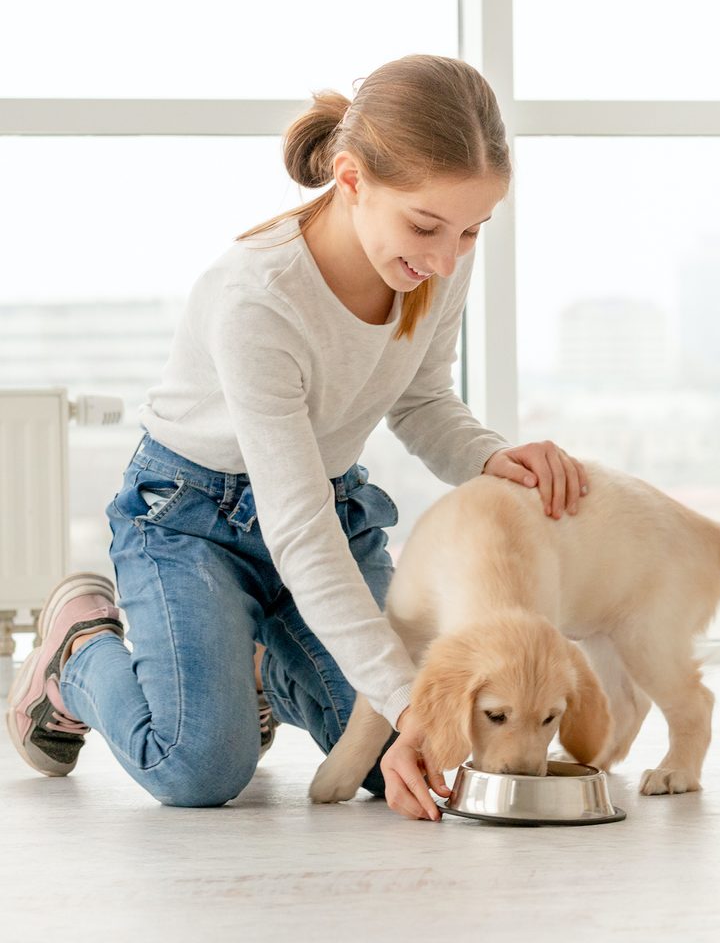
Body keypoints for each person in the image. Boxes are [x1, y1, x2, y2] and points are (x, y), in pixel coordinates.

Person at [6, 55, 587, 821]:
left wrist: (487, 456)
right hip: (191, 522)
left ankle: (252, 664)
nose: (448, 258)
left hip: (327, 511)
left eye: (473, 229)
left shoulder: (436, 260)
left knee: (409, 761)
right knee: (200, 769)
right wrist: (404, 701)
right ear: (350, 180)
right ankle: (78, 648)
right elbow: (298, 529)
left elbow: (420, 398)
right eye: (427, 226)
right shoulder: (257, 299)